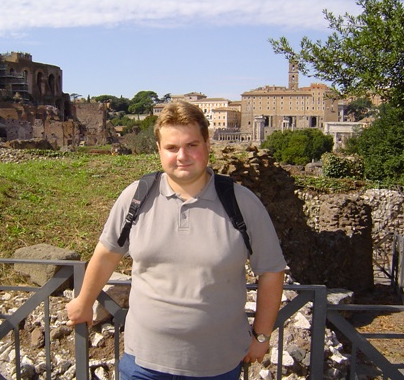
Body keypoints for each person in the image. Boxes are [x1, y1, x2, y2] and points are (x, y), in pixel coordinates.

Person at [66, 100, 286, 379]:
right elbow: (107, 253)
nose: (182, 155)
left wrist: (262, 336)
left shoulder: (242, 203)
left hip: (217, 365)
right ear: (158, 150)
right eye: (172, 148)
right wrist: (84, 302)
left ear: (207, 144)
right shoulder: (135, 197)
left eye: (192, 145)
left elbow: (271, 271)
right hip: (143, 362)